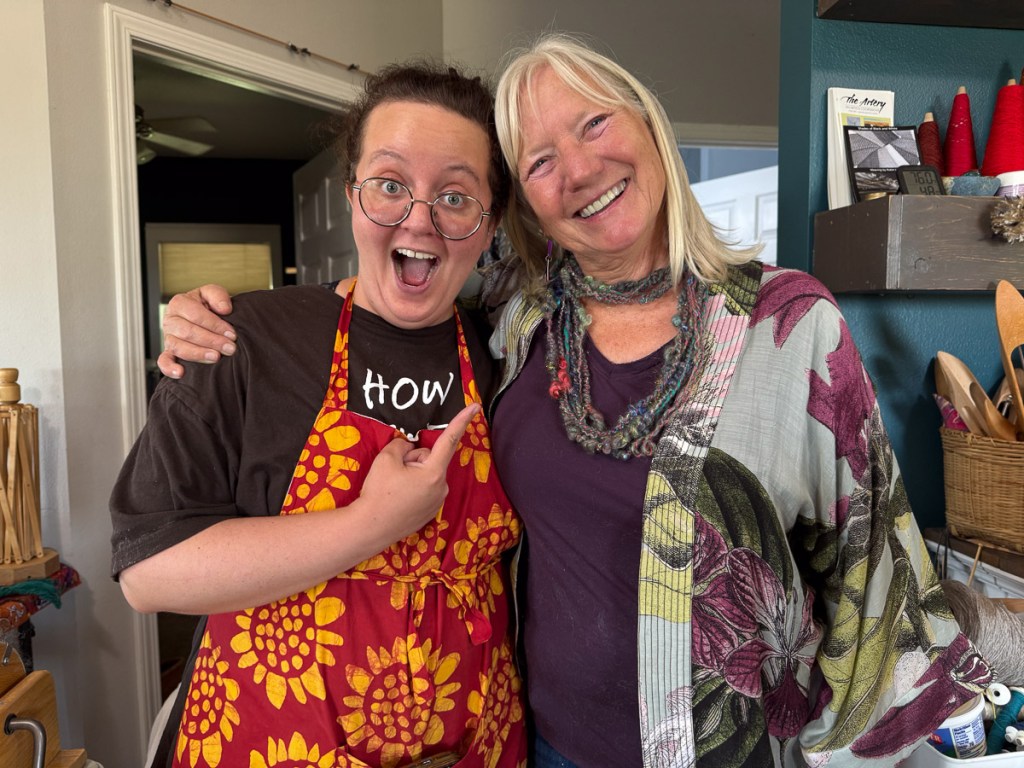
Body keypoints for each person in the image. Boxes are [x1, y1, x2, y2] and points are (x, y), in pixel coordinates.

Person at [158, 34, 991, 768]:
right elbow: (392, 296)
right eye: (540, 160)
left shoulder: (792, 324)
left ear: (648, 125)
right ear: (526, 206)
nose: (581, 170)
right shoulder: (517, 325)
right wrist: (223, 324)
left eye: (593, 124)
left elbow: (872, 566)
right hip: (542, 743)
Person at [111, 61, 528, 768]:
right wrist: (370, 525)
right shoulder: (239, 338)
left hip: (475, 745)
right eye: (390, 185)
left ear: (489, 223)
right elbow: (150, 572)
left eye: (455, 196)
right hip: (269, 741)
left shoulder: (507, 351)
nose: (417, 218)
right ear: (350, 197)